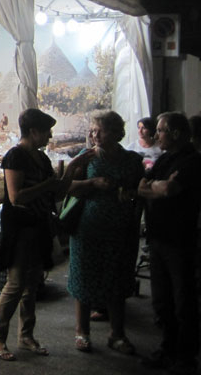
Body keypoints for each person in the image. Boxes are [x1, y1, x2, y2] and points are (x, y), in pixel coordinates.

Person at [0, 108, 66, 361]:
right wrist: (47, 186)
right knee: (15, 283)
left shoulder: (41, 159)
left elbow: (53, 191)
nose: (50, 136)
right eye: (46, 131)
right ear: (33, 132)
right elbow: (16, 196)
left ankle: (26, 335)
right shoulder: (15, 157)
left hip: (38, 225)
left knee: (32, 284)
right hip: (19, 228)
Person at [65, 111, 143, 354]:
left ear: (116, 133)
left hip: (121, 227)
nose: (94, 134)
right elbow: (68, 188)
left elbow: (141, 189)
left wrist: (130, 194)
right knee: (84, 275)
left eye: (101, 130)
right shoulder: (86, 157)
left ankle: (117, 334)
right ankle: (82, 331)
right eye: (93, 130)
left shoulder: (131, 160)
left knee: (117, 277)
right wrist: (92, 184)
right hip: (88, 227)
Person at [137, 112, 201, 375]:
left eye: (161, 131)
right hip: (159, 238)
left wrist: (154, 187)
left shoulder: (193, 162)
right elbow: (143, 186)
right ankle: (167, 348)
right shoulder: (165, 160)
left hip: (180, 241)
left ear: (175, 134)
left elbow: (168, 190)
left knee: (183, 301)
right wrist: (154, 186)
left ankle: (185, 358)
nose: (155, 135)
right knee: (162, 301)